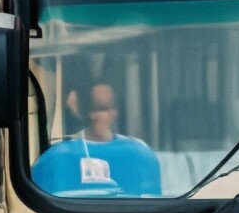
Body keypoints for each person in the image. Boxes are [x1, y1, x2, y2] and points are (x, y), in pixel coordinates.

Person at [32, 83, 161, 196]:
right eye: (94, 108)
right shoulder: (58, 155)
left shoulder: (139, 153)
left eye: (104, 108)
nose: (98, 115)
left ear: (115, 112)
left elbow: (152, 201)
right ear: (83, 111)